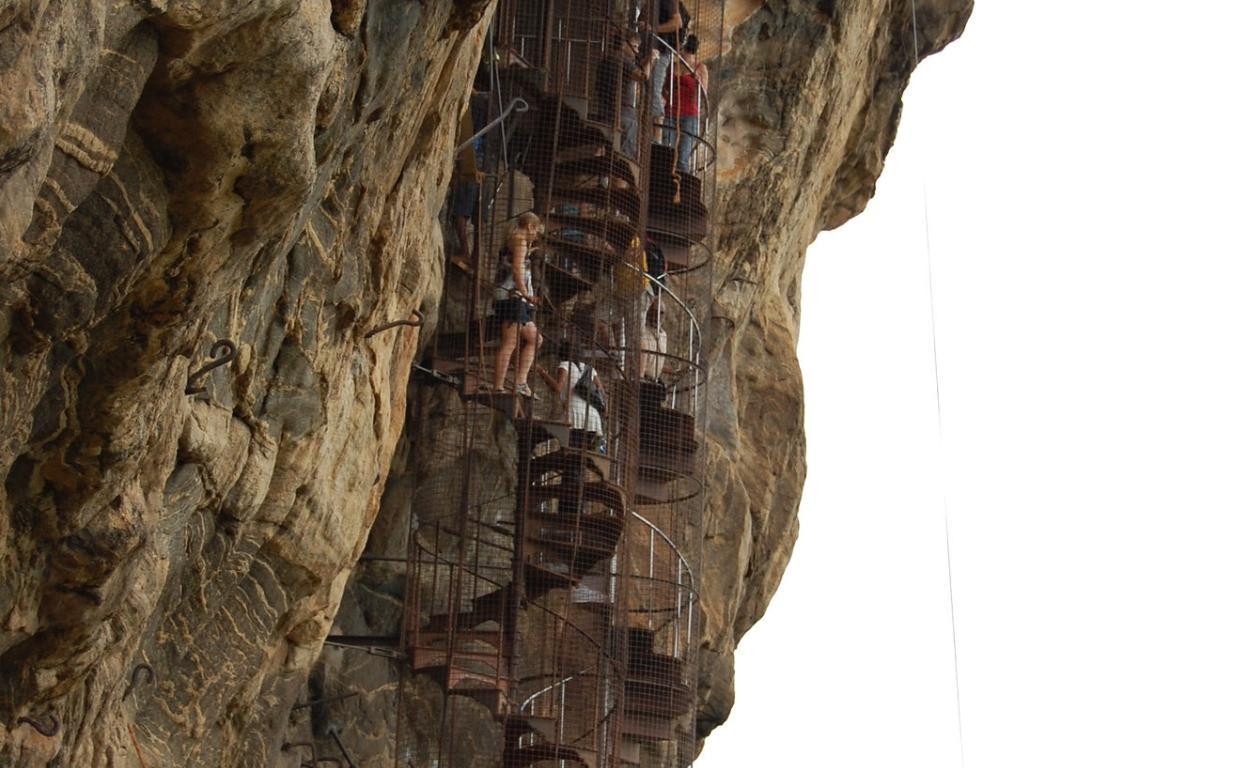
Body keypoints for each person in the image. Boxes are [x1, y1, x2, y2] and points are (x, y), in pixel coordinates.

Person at [489, 212, 544, 397]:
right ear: (530, 226)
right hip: (512, 296)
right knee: (510, 343)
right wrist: (527, 295)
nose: (536, 235)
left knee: (535, 339)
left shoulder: (515, 241)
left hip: (514, 297)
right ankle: (498, 386)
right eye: (536, 230)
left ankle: (520, 381)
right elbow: (517, 269)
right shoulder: (519, 240)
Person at [594, 28, 654, 157]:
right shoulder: (623, 60)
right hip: (624, 115)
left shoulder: (607, 59)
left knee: (605, 152)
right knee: (624, 160)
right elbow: (643, 76)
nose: (636, 51)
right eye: (635, 46)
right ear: (623, 44)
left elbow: (633, 70)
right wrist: (651, 59)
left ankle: (602, 175)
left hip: (605, 112)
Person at [449, 89, 488, 271]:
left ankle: (466, 253)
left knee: (461, 212)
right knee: (474, 215)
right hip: (480, 163)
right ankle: (473, 257)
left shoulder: (474, 110)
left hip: (471, 165)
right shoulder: (485, 111)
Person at [644, 0, 684, 145]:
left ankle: (657, 138)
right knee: (647, 90)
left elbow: (677, 23)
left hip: (660, 51)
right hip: (650, 50)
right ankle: (650, 135)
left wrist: (653, 29)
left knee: (653, 90)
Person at [553, 340, 605, 442]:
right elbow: (601, 391)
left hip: (574, 412)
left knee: (569, 446)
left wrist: (542, 373)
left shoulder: (565, 365)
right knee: (584, 449)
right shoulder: (589, 369)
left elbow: (558, 388)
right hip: (592, 415)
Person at [674, 35, 708, 173]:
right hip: (672, 110)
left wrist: (697, 82)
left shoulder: (700, 67)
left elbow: (703, 94)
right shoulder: (674, 65)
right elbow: (665, 87)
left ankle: (680, 188)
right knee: (667, 150)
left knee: (683, 156)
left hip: (689, 114)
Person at [639, 301, 668, 382]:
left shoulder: (664, 336)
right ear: (649, 312)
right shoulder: (643, 332)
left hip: (655, 381)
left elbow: (656, 361)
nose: (657, 316)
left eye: (661, 313)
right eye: (654, 312)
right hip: (643, 379)